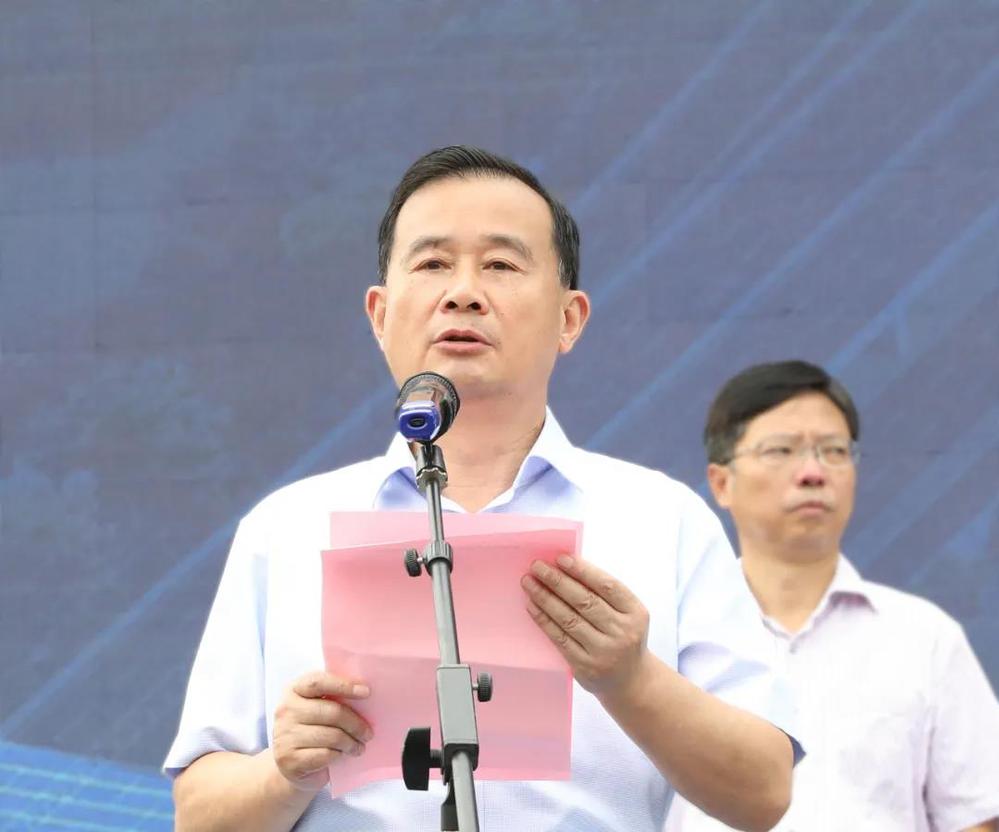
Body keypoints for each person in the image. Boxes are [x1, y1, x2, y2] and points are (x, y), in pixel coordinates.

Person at [165, 146, 798, 831]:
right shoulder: (287, 528)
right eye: (432, 263)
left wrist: (631, 679)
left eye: (500, 264)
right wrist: (284, 770)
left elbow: (761, 792)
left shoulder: (659, 520)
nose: (463, 292)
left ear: (569, 319)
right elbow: (198, 816)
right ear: (379, 315)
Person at [665, 360, 999, 831]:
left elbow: (976, 815)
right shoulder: (672, 638)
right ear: (721, 483)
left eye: (834, 451)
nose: (812, 473)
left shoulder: (925, 638)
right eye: (781, 450)